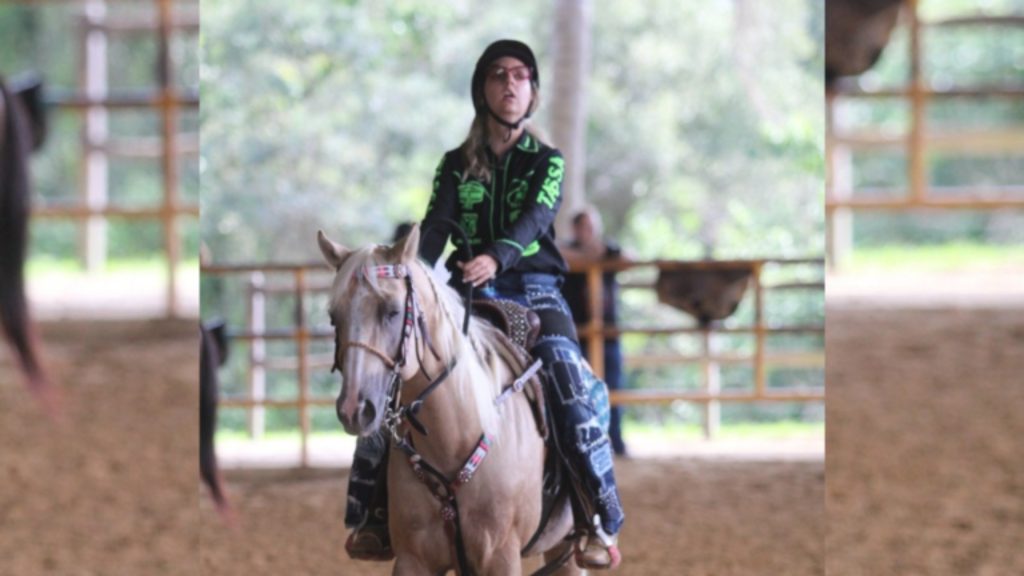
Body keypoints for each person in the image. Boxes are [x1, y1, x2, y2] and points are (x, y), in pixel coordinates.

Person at [344, 39, 624, 570]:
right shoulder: (453, 166)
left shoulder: (547, 162)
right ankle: (370, 514)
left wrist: (497, 257)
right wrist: (409, 274)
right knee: (391, 375)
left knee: (568, 377)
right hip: (462, 296)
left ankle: (597, 516)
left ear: (533, 92)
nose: (511, 84)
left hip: (535, 291)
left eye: (521, 76)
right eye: (499, 75)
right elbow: (430, 237)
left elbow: (537, 221)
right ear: (483, 90)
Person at [560, 207, 628, 457]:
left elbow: (630, 259)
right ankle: (584, 441)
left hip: (608, 332)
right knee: (577, 388)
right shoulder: (565, 251)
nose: (587, 232)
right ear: (575, 229)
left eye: (591, 227)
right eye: (583, 227)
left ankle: (617, 441)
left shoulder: (609, 250)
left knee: (615, 385)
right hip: (579, 333)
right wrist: (588, 256)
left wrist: (602, 254)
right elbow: (559, 254)